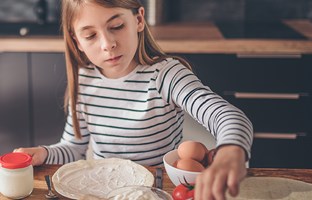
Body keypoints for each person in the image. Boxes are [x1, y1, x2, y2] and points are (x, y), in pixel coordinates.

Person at [14, 0, 253, 199]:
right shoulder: (84, 81)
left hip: (157, 192)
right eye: (90, 35)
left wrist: (231, 151)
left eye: (116, 26)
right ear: (77, 41)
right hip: (104, 193)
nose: (108, 44)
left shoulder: (166, 75)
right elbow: (73, 149)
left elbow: (227, 116)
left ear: (138, 20)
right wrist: (43, 153)